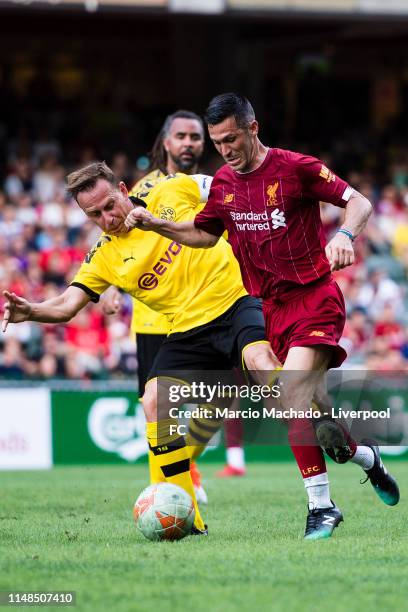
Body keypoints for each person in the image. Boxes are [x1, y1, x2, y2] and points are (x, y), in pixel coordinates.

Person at [124, 93, 400, 540]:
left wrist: (346, 234)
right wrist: (157, 225)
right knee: (319, 421)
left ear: (253, 127)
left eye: (231, 138)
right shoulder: (225, 183)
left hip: (313, 298)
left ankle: (322, 508)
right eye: (218, 142)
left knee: (290, 396)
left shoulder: (297, 168)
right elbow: (202, 233)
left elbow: (360, 202)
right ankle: (368, 458)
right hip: (269, 310)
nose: (226, 149)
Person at [2, 161, 279, 536]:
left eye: (109, 205)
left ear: (121, 188)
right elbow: (68, 305)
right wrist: (31, 311)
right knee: (153, 400)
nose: (107, 218)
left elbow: (230, 188)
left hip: (236, 300)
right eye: (94, 214)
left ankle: (332, 441)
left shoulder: (168, 191)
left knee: (264, 370)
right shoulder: (104, 256)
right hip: (186, 329)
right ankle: (189, 519)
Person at [103, 110, 208, 502]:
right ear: (165, 141)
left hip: (203, 308)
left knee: (219, 400)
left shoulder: (205, 187)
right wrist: (112, 285)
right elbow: (119, 241)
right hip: (154, 318)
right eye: (180, 136)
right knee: (157, 406)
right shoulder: (144, 188)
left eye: (195, 137)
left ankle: (184, 467)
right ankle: (169, 495)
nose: (188, 143)